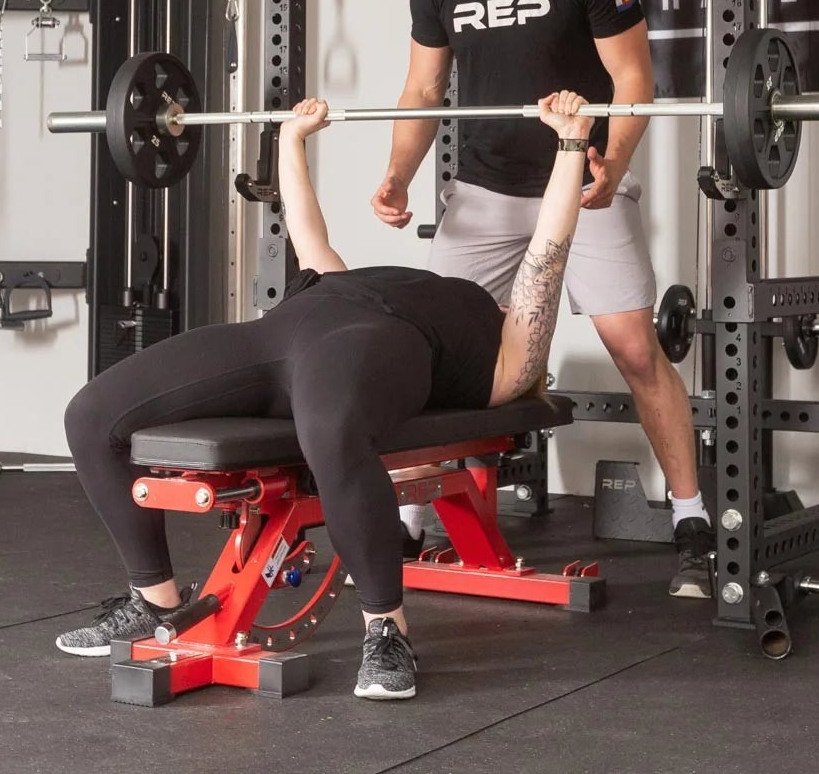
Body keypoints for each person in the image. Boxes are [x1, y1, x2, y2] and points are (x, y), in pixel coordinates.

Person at [57, 91, 597, 702]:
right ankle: (154, 600)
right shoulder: (349, 278)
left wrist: (571, 145)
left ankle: (386, 630)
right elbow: (308, 234)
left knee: (330, 432)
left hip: (371, 343)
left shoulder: (510, 359)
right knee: (92, 415)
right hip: (280, 329)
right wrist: (292, 139)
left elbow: (547, 255)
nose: (513, 302)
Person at [370, 0, 714, 599]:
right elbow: (423, 89)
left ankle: (693, 518)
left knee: (635, 349)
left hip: (580, 181)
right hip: (485, 191)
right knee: (439, 357)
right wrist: (397, 175)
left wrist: (612, 162)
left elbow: (633, 80)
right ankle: (412, 519)